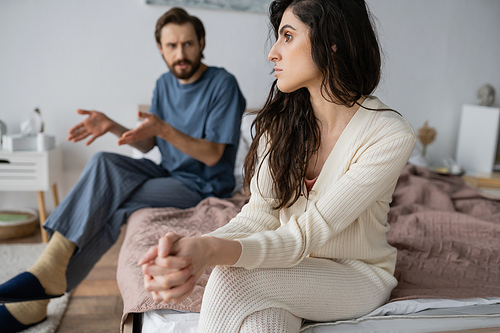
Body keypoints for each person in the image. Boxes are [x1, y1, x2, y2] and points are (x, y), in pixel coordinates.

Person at [138, 0, 416, 332]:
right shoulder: (281, 123)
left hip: (354, 274)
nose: (273, 52)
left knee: (234, 277)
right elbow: (260, 215)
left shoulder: (388, 134)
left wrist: (210, 251)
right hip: (289, 267)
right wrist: (198, 245)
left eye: (287, 36)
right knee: (262, 323)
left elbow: (304, 235)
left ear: (332, 42)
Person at [0, 7, 245, 332]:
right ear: (160, 48)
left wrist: (165, 129)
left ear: (201, 43)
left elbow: (213, 155)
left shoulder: (222, 84)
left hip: (203, 185)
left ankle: (42, 287)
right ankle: (48, 275)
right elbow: (148, 143)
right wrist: (112, 126)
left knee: (114, 201)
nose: (180, 54)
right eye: (171, 46)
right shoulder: (164, 83)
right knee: (104, 163)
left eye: (188, 44)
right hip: (168, 173)